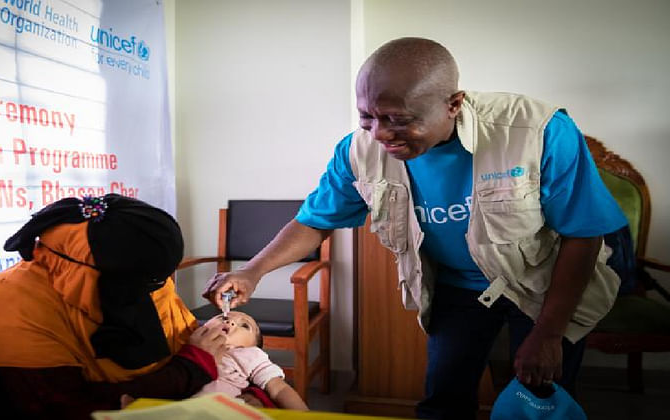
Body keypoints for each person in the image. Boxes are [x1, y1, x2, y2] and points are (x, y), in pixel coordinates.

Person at [203, 37, 628, 419]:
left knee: (537, 401)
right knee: (443, 400)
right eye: (367, 116)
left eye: (398, 119)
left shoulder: (536, 131)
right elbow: (314, 221)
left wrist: (549, 333)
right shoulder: (358, 149)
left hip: (543, 281)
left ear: (454, 104)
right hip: (458, 288)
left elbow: (584, 232)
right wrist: (252, 271)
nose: (381, 134)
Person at [0, 194, 227, 419]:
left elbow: (183, 338)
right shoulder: (11, 302)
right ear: (76, 269)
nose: (158, 290)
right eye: (137, 287)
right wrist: (190, 369)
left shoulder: (145, 277)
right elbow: (63, 409)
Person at [193, 311, 309, 410]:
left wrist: (305, 416)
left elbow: (279, 389)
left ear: (252, 345)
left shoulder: (249, 355)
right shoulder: (187, 343)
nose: (230, 322)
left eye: (244, 326)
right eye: (223, 318)